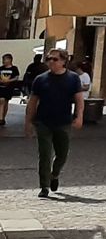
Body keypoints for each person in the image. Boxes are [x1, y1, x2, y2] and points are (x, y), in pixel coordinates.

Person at [26, 48, 86, 198]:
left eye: (55, 59)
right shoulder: (40, 79)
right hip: (43, 122)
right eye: (49, 59)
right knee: (44, 155)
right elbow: (33, 102)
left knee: (62, 154)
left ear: (64, 61)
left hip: (63, 122)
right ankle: (44, 186)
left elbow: (79, 99)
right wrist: (28, 122)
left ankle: (55, 174)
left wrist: (79, 117)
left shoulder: (73, 79)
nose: (51, 62)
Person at [0, 53, 21, 133]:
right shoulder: (1, 68)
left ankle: (3, 117)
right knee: (1, 100)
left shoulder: (14, 68)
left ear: (10, 60)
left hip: (9, 88)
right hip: (1, 87)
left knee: (5, 102)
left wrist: (9, 81)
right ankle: (1, 118)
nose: (4, 61)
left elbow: (16, 77)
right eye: (3, 59)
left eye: (5, 59)